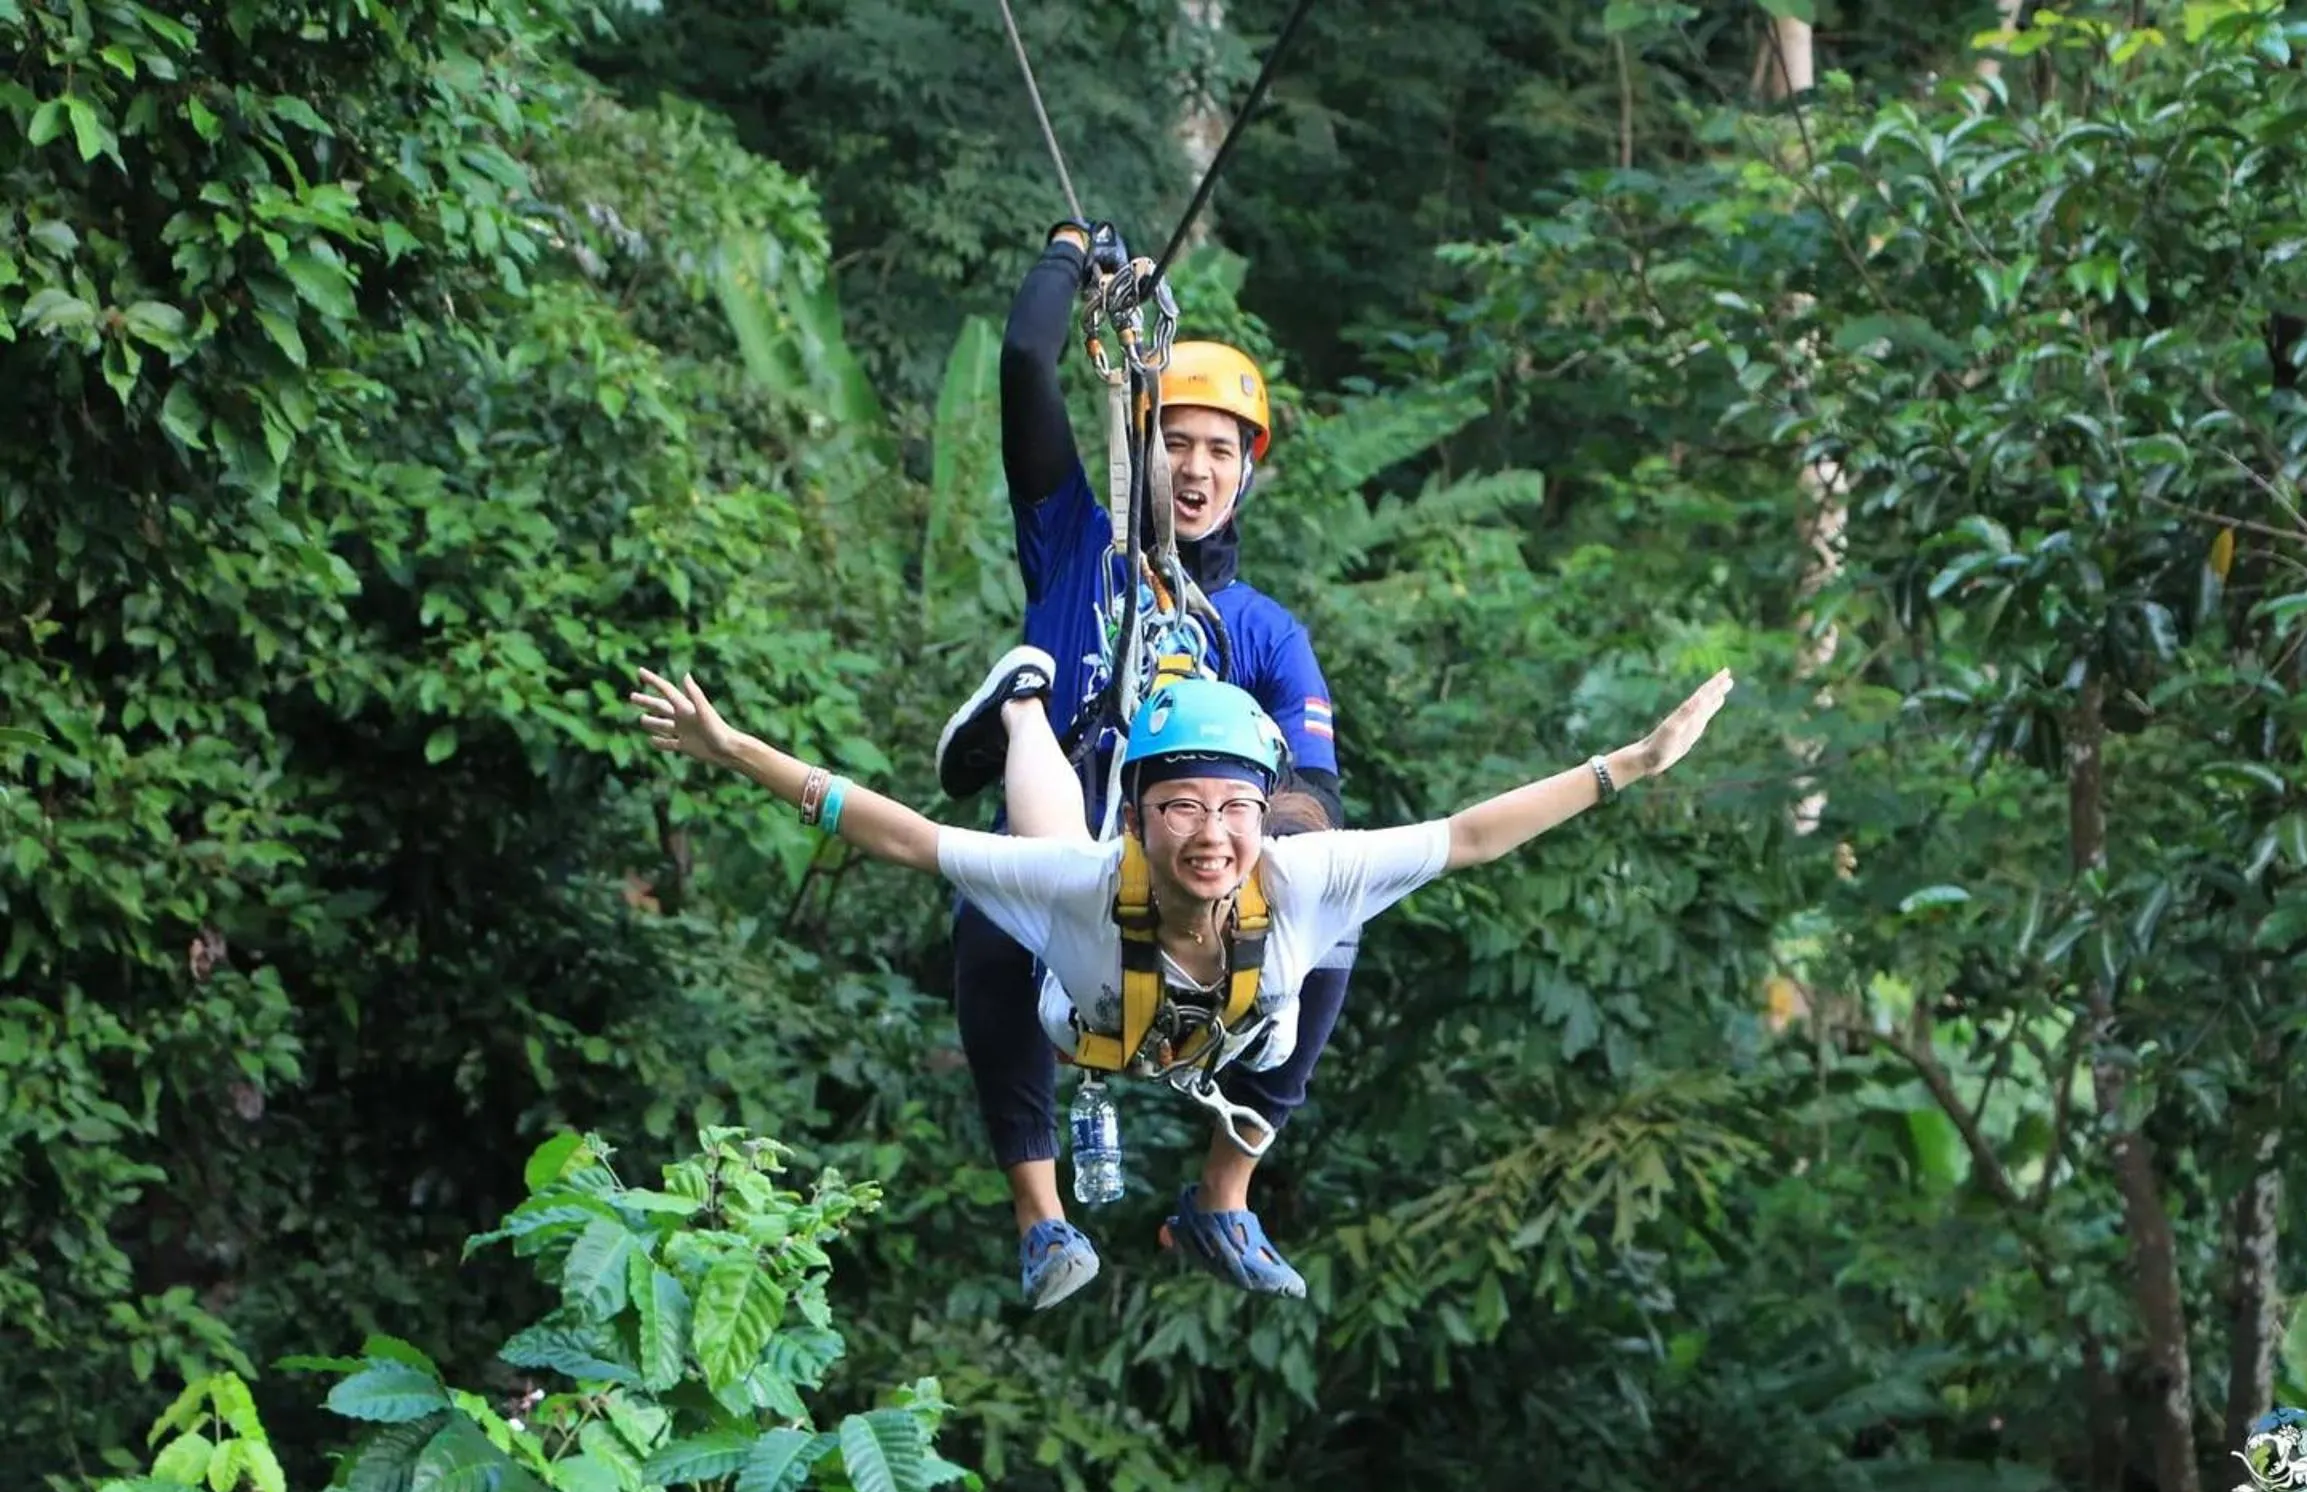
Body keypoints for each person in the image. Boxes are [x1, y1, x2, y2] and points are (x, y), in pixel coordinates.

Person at [629, 661, 1737, 1303]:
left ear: (1264, 815)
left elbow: (1471, 835)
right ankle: (1022, 707)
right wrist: (737, 752)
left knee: (1338, 943)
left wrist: (1627, 765)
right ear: (1144, 814)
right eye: (1181, 807)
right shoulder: (1088, 879)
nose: (1211, 835)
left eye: (1235, 809)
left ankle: (1223, 1202)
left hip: (1236, 1051)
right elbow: (909, 838)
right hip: (1090, 1024)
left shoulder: (1300, 877)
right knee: (1023, 869)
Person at [930, 219, 1357, 1309]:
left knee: (1337, 920)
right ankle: (1042, 1218)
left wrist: (1252, 875)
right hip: (1074, 826)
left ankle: (1224, 1192)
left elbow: (1311, 790)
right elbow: (1026, 363)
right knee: (991, 909)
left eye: (1225, 451)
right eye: (1181, 442)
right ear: (1143, 444)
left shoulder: (1261, 633)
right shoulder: (1078, 545)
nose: (1201, 469)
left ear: (1248, 473)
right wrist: (1072, 251)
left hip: (1202, 879)